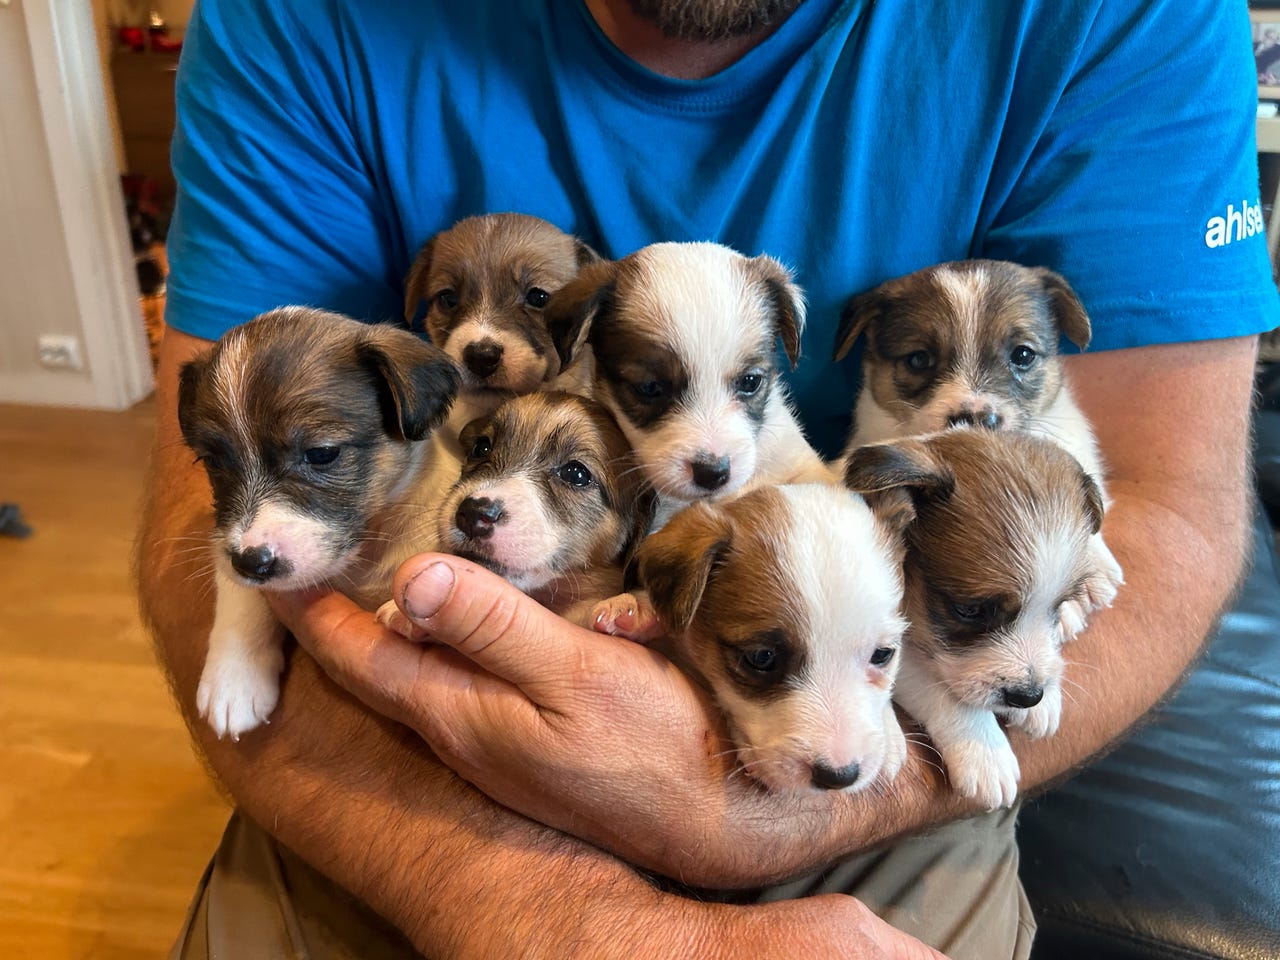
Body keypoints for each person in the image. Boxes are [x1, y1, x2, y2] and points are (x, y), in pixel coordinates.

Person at [136, 1, 1274, 957]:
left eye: (742, 387)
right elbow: (223, 493)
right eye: (655, 390)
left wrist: (752, 808)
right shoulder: (299, 23)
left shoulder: (1128, 19)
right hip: (415, 732)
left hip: (865, 710)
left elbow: (1165, 503)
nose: (710, 442)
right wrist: (566, 919)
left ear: (785, 341)